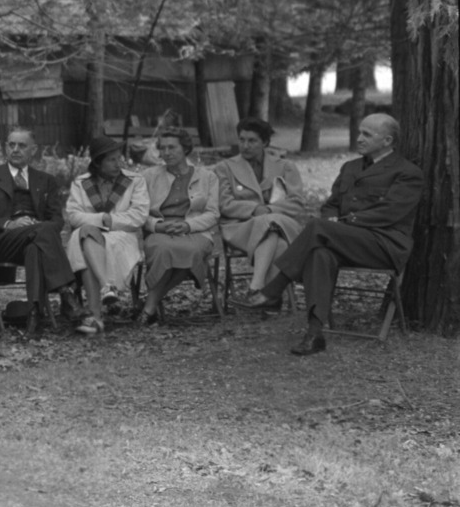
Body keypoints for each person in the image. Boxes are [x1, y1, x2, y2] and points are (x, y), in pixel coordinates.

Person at [241, 114, 424, 355]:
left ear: (388, 140)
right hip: (342, 240)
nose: (359, 138)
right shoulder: (350, 167)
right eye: (359, 132)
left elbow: (389, 213)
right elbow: (331, 204)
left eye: (367, 134)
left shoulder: (407, 172)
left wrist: (341, 223)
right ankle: (314, 333)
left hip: (383, 244)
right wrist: (332, 221)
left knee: (318, 228)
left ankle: (273, 289)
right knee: (319, 252)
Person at [0, 127, 76, 333]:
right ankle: (66, 292)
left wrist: (35, 225)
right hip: (2, 241)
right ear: (5, 148)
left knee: (35, 247)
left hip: (35, 240)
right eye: (11, 145)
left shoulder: (46, 181)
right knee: (42, 233)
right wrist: (9, 224)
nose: (15, 149)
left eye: (22, 146)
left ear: (33, 150)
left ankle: (34, 314)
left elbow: (57, 220)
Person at [216, 118, 317, 294]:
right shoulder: (224, 167)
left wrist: (269, 210)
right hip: (240, 228)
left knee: (270, 225)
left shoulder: (285, 166)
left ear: (265, 143)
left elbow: (296, 202)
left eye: (252, 141)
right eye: (242, 139)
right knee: (279, 244)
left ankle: (257, 288)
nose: (245, 145)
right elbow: (224, 204)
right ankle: (267, 296)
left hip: (281, 223)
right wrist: (254, 209)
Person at [63, 136, 148, 331]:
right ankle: (106, 287)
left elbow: (139, 215)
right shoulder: (80, 183)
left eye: (119, 158)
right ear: (98, 162)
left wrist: (111, 222)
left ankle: (95, 316)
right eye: (111, 159)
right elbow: (73, 216)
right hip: (90, 235)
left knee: (84, 244)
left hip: (122, 236)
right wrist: (101, 219)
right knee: (85, 234)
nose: (118, 163)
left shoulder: (135, 181)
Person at [137, 128, 221, 324]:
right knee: (162, 248)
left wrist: (187, 225)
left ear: (185, 148)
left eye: (172, 147)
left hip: (195, 231)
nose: (166, 152)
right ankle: (150, 308)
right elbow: (139, 212)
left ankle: (149, 306)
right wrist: (158, 226)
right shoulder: (149, 176)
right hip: (160, 231)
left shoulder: (207, 177)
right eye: (162, 148)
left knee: (190, 251)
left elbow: (213, 214)